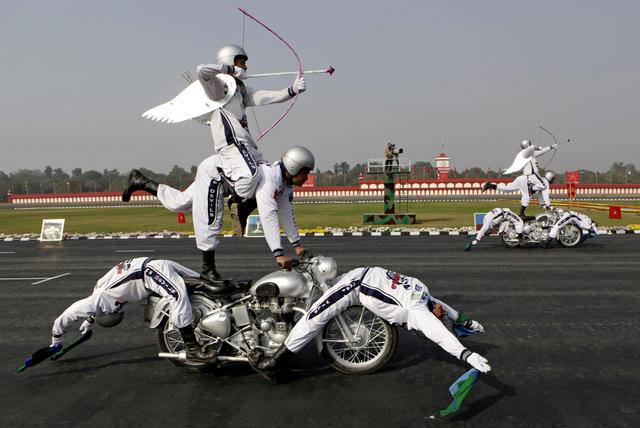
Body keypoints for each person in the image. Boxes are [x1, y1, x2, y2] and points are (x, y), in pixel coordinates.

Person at [122, 43, 306, 279]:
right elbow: (202, 71)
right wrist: (228, 69)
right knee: (250, 178)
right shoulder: (219, 87)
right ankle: (211, 262)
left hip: (238, 155)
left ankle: (141, 181)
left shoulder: (239, 90)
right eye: (242, 61)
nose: (246, 66)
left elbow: (264, 97)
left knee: (179, 203)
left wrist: (291, 90)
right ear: (231, 60)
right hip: (231, 151)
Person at [258, 259, 491, 374]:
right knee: (313, 317)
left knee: (312, 300)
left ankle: (280, 337)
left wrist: (463, 321)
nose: (440, 316)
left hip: (362, 274)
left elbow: (444, 308)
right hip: (355, 286)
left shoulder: (424, 293)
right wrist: (466, 354)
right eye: (438, 316)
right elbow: (439, 334)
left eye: (439, 316)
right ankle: (277, 360)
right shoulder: (419, 310)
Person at [122, 147, 314, 278]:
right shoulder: (270, 179)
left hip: (219, 171)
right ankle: (208, 270)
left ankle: (141, 182)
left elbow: (287, 212)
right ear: (293, 167)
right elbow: (268, 214)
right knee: (211, 220)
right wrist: (278, 254)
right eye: (305, 172)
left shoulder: (285, 184)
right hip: (215, 174)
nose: (307, 177)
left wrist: (296, 245)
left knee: (178, 203)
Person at [50, 257, 214, 362]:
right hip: (157, 264)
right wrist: (90, 320)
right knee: (208, 285)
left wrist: (56, 340)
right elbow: (95, 307)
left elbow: (68, 315)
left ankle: (192, 347)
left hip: (150, 272)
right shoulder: (101, 298)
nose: (120, 309)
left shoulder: (100, 300)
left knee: (177, 296)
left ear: (108, 312)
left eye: (117, 311)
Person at [483, 171, 556, 220]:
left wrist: (543, 205)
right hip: (524, 181)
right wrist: (548, 206)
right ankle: (521, 213)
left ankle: (490, 185)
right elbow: (545, 195)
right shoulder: (546, 182)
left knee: (507, 189)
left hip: (521, 178)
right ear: (550, 178)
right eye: (553, 179)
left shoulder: (542, 180)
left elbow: (541, 195)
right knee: (527, 196)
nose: (553, 181)